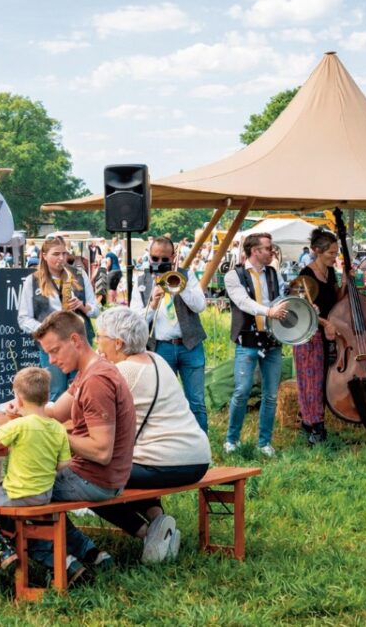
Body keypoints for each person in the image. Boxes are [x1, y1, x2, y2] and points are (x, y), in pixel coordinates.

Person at [88, 308, 211, 561]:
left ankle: (148, 535)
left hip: (163, 465)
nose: (96, 341)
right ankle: (159, 519)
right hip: (197, 460)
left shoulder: (122, 372)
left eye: (100, 336)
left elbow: (85, 417)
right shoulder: (157, 359)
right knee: (129, 465)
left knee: (86, 478)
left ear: (118, 343)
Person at [32, 310, 137, 581]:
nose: (52, 361)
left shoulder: (95, 381)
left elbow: (102, 452)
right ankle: (88, 553)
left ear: (76, 340)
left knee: (14, 491)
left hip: (98, 478)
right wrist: (26, 408)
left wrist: (53, 435)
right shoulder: (89, 370)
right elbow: (56, 413)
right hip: (100, 474)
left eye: (55, 351)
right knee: (25, 484)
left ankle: (58, 561)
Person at [0, 367, 71, 570]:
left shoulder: (19, 425)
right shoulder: (58, 428)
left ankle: (1, 547)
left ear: (18, 399)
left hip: (20, 493)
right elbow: (64, 465)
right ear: (47, 397)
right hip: (44, 493)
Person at [130, 236, 209, 432]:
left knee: (196, 402)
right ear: (149, 256)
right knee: (163, 401)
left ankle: (202, 448)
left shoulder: (186, 275)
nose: (159, 263)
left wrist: (179, 287)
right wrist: (152, 304)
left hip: (190, 345)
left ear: (173, 257)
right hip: (161, 347)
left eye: (164, 260)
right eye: (155, 259)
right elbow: (136, 322)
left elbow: (200, 306)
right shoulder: (141, 280)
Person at [223, 232, 289, 457]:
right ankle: (232, 440)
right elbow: (243, 302)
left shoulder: (273, 273)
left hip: (272, 339)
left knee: (270, 394)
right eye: (268, 248)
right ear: (254, 251)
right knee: (242, 391)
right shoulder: (234, 275)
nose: (272, 252)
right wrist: (269, 311)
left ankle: (264, 443)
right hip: (247, 338)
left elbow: (281, 299)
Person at [18, 237, 100, 400]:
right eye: (56, 254)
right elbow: (24, 318)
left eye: (64, 254)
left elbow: (96, 310)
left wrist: (81, 306)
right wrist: (46, 330)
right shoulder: (32, 281)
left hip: (78, 344)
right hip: (52, 347)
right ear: (44, 255)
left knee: (84, 390)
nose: (61, 259)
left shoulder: (79, 274)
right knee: (56, 393)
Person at [292, 228, 340, 445]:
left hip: (328, 333)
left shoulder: (331, 273)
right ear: (316, 251)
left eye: (336, 252)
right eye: (331, 253)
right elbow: (303, 309)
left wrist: (347, 281)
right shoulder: (306, 276)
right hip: (310, 335)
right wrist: (325, 323)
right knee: (311, 381)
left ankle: (313, 422)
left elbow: (337, 299)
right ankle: (314, 427)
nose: (335, 257)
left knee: (323, 380)